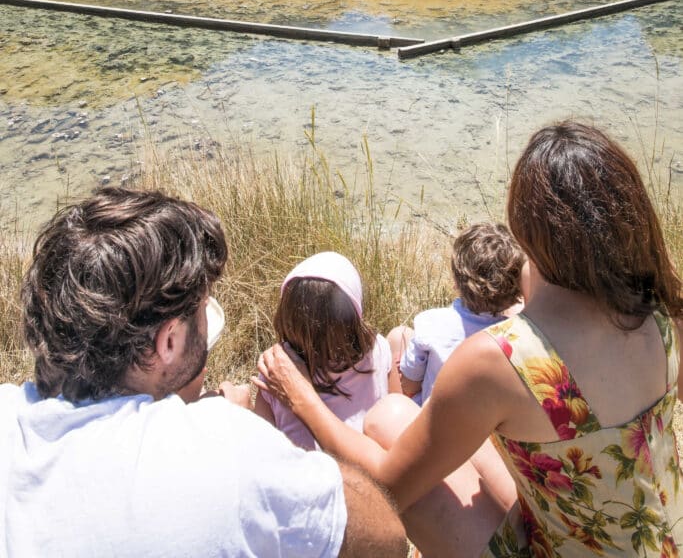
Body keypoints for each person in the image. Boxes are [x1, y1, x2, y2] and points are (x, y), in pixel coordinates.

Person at [255, 121, 683, 557]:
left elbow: (388, 489)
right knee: (396, 415)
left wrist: (301, 397)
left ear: (525, 229)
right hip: (661, 543)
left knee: (389, 418)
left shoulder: (502, 360)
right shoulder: (664, 310)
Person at [0, 187, 406, 558]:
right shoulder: (226, 447)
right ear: (170, 342)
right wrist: (223, 426)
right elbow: (386, 538)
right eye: (202, 310)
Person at [255, 251, 394, 449]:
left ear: (286, 316)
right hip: (373, 471)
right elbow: (396, 412)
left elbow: (264, 447)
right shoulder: (379, 350)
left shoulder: (276, 369)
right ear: (353, 316)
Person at [390, 222, 525, 404]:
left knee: (399, 335)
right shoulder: (516, 337)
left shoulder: (430, 324)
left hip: (432, 421)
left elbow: (409, 385)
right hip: (484, 427)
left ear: (456, 279)